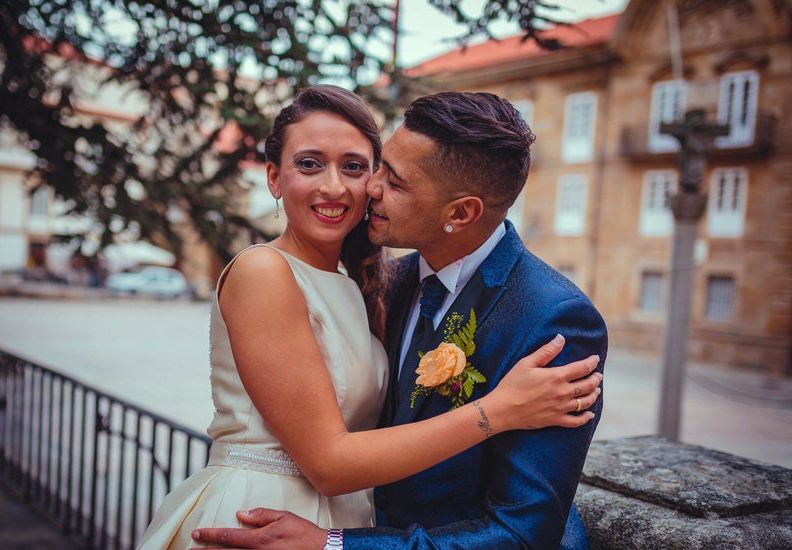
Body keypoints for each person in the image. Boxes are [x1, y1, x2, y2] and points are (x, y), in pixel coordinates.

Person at [138, 86, 602, 550]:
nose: (365, 188)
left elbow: (525, 532)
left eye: (381, 176)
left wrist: (339, 544)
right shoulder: (362, 280)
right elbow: (330, 457)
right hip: (267, 518)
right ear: (274, 177)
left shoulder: (552, 318)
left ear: (460, 213)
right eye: (310, 163)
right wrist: (495, 412)